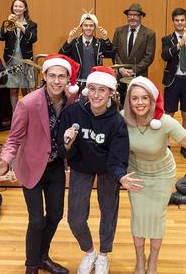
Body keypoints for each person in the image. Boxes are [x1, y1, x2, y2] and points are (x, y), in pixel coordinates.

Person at [0, 54, 80, 274]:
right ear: (44, 76)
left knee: (56, 215)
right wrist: (4, 161)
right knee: (37, 221)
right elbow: (14, 138)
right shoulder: (28, 103)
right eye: (52, 76)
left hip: (56, 165)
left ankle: (43, 256)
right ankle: (32, 265)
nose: (57, 81)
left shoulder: (70, 100)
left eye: (61, 77)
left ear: (68, 79)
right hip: (31, 166)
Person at [122, 76, 186, 274]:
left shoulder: (164, 122)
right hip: (136, 173)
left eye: (145, 98)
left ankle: (153, 261)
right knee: (138, 217)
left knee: (156, 217)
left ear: (152, 100)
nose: (140, 103)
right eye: (135, 98)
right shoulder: (122, 119)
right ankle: (140, 260)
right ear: (129, 101)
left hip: (162, 174)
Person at [58, 66, 138, 274]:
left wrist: (121, 176)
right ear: (86, 90)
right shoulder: (73, 112)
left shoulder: (117, 122)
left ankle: (103, 255)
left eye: (102, 90)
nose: (96, 95)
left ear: (111, 92)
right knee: (75, 218)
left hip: (108, 171)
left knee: (109, 212)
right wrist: (67, 145)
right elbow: (65, 152)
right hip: (81, 167)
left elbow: (117, 157)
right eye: (92, 89)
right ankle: (89, 251)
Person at [161, 8, 186, 136]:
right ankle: (166, 144)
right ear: (173, 22)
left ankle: (185, 145)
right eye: (177, 20)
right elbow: (165, 56)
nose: (180, 23)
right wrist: (179, 44)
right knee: (169, 114)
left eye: (182, 20)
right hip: (173, 80)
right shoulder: (167, 39)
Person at [0, 0, 38, 112]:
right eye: (15, 6)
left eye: (20, 6)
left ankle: (26, 114)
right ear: (12, 8)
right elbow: (0, 37)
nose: (18, 8)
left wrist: (21, 26)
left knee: (26, 89)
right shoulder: (7, 23)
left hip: (26, 61)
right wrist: (5, 26)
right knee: (13, 90)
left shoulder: (31, 25)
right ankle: (15, 116)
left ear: (25, 8)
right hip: (11, 61)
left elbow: (33, 39)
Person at [112, 3, 156, 105]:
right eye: (130, 15)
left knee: (136, 105)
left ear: (141, 17)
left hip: (139, 76)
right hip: (120, 76)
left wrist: (133, 70)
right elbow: (114, 52)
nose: (132, 17)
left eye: (135, 15)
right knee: (121, 105)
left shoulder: (149, 34)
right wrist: (121, 69)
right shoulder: (119, 31)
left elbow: (148, 57)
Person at [59, 12, 115, 89]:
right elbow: (61, 56)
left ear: (95, 27)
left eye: (91, 25)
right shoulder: (74, 42)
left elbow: (111, 54)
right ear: (81, 26)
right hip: (77, 81)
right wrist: (69, 40)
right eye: (85, 25)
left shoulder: (100, 42)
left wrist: (106, 39)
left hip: (96, 80)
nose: (88, 28)